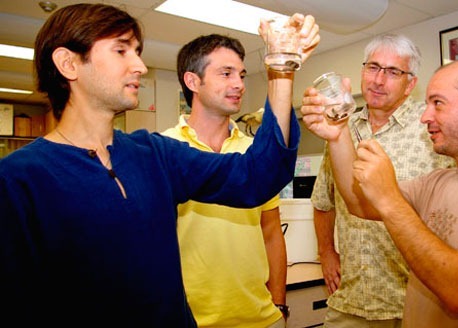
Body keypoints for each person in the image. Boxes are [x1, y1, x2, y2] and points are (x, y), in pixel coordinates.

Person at [0, 3, 320, 327]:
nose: (139, 64)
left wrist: (282, 68)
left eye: (137, 51)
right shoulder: (20, 178)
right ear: (69, 63)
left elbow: (258, 176)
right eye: (121, 50)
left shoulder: (156, 154)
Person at [301, 58, 458, 327]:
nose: (424, 117)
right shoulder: (437, 181)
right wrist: (338, 136)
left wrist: (389, 199)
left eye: (438, 103)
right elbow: (359, 205)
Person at [311, 34, 454, 327]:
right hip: (349, 301)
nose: (378, 80)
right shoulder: (339, 127)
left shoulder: (429, 130)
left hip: (412, 304)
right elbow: (323, 201)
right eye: (373, 67)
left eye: (392, 72)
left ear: (410, 84)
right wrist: (326, 252)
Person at [161, 33, 298, 327]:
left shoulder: (255, 156)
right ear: (192, 81)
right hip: (190, 319)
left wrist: (279, 304)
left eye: (241, 74)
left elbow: (272, 232)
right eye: (226, 73)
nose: (239, 84)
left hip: (260, 318)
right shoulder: (164, 152)